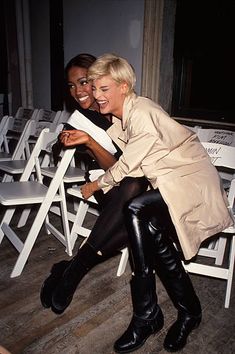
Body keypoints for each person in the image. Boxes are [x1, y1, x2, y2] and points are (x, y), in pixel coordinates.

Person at [55, 53, 233, 353]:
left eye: (104, 89)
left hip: (192, 182)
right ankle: (190, 312)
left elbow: (129, 167)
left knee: (135, 208)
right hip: (170, 182)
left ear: (124, 87)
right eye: (94, 88)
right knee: (151, 232)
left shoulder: (141, 112)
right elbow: (129, 163)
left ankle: (146, 314)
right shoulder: (120, 118)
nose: (96, 95)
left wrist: (95, 185)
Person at [40, 54, 149, 312]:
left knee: (136, 198)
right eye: (71, 85)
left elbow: (127, 166)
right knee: (134, 203)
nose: (78, 91)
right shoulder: (80, 119)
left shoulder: (118, 110)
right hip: (104, 183)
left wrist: (90, 141)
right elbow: (60, 149)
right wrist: (71, 140)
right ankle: (74, 270)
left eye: (84, 82)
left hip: (132, 179)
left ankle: (73, 268)